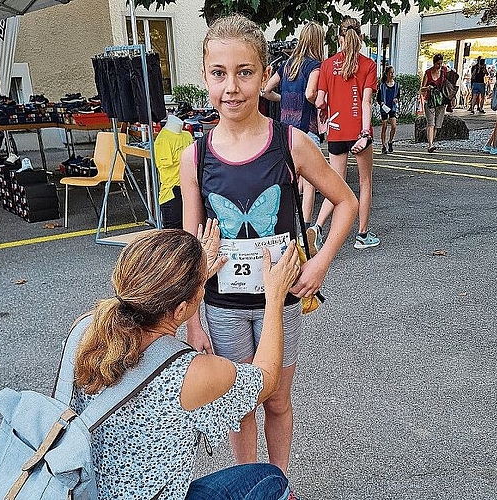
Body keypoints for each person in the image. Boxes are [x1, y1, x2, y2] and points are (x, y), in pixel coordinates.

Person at [180, 14, 358, 474]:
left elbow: (346, 203)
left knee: (277, 400)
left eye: (245, 72)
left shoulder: (291, 143)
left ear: (264, 75)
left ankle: (278, 482)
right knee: (238, 408)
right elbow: (187, 248)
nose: (232, 87)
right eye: (219, 73)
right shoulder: (194, 156)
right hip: (221, 305)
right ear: (205, 77)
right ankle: (249, 484)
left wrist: (318, 264)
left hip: (279, 301)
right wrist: (193, 322)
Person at [71, 223, 301, 499]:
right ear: (181, 309)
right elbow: (267, 378)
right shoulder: (190, 372)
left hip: (91, 492)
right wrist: (275, 296)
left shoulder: (86, 332)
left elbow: (154, 321)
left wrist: (192, 274)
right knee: (270, 480)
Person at [312, 16, 380, 250]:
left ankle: (317, 228)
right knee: (364, 182)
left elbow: (320, 100)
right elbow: (366, 102)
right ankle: (362, 235)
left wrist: (325, 111)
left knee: (336, 184)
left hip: (336, 131)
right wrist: (365, 133)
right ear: (359, 37)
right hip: (358, 132)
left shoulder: (327, 65)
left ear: (339, 38)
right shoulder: (368, 65)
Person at [262, 21, 325, 253]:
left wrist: (284, 101)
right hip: (306, 129)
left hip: (285, 131)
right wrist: (319, 101)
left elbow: (266, 91)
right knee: (309, 185)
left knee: (287, 181)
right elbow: (310, 93)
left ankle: (283, 232)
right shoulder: (314, 65)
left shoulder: (286, 65)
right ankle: (305, 234)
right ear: (318, 41)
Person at [154, 114, 193, 229]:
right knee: (173, 233)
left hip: (189, 188)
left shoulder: (187, 135)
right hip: (172, 191)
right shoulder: (162, 140)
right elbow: (166, 165)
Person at [420, 53, 448, 153]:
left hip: (441, 101)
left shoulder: (444, 71)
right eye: (437, 64)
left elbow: (448, 84)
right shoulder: (428, 72)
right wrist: (427, 88)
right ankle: (430, 144)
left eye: (441, 63)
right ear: (434, 63)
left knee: (437, 124)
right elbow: (422, 89)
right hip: (430, 100)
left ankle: (432, 142)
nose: (439, 66)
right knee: (430, 123)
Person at [377, 65, 400, 154]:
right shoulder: (382, 86)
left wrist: (396, 99)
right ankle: (383, 145)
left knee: (394, 126)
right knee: (384, 126)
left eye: (393, 72)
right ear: (386, 74)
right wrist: (381, 102)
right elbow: (378, 98)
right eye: (390, 73)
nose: (392, 74)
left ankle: (390, 141)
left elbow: (398, 95)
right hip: (384, 108)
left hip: (392, 107)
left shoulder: (397, 85)